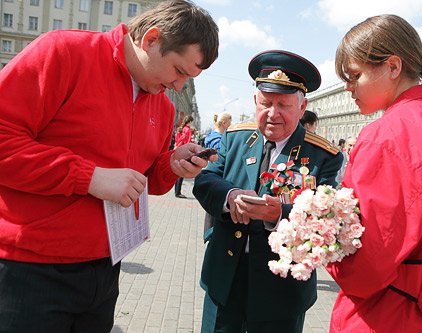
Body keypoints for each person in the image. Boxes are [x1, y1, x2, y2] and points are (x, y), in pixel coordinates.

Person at [0, 1, 218, 332]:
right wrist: (87, 177)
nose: (178, 86)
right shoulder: (65, 52)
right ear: (152, 40)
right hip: (29, 269)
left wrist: (173, 165)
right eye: (179, 71)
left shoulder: (161, 105)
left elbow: (145, 180)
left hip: (104, 271)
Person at [324, 14, 422, 332]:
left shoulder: (389, 133)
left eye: (354, 76)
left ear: (393, 67)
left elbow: (375, 253)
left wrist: (327, 253)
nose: (349, 88)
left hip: (386, 313)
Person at [193, 50, 343, 333]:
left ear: (302, 107)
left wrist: (280, 214)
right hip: (226, 278)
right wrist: (230, 196)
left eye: (283, 104)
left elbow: (329, 218)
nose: (273, 113)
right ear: (254, 102)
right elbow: (205, 180)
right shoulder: (236, 138)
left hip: (281, 290)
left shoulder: (324, 155)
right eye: (266, 103)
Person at [174, 115, 194, 198]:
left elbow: (178, 140)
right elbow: (187, 142)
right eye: (191, 122)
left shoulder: (180, 128)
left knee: (178, 172)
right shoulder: (188, 130)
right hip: (183, 152)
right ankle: (178, 192)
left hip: (177, 150)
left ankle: (177, 191)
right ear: (189, 122)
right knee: (182, 173)